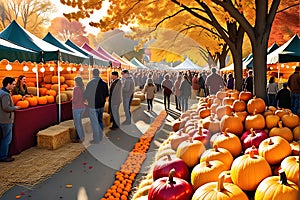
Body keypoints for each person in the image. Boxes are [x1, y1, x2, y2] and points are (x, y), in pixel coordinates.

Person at [84, 68, 109, 144]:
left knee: (94, 123)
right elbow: (107, 94)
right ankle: (101, 136)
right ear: (99, 74)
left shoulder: (90, 83)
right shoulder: (104, 83)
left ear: (93, 74)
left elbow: (86, 95)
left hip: (93, 105)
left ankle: (96, 139)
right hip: (101, 105)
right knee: (100, 120)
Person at [0, 77, 20, 162]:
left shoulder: (1, 92)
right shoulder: (5, 94)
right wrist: (15, 107)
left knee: (4, 138)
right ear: (8, 84)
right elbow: (6, 107)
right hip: (6, 120)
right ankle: (3, 156)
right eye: (13, 84)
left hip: (2, 119)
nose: (14, 86)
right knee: (7, 138)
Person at [72, 76, 85, 142]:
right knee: (79, 122)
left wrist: (72, 99)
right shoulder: (82, 88)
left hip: (77, 108)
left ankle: (80, 138)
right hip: (82, 107)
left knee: (77, 123)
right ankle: (82, 136)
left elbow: (75, 99)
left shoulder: (76, 88)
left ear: (76, 82)